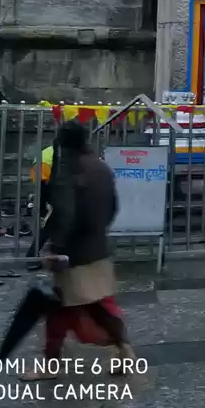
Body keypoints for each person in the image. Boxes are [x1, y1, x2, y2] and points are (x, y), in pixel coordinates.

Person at [23, 121, 134, 376]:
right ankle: (124, 349)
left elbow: (66, 213)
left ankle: (51, 364)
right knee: (95, 305)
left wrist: (56, 248)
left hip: (73, 252)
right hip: (98, 247)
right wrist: (97, 232)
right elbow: (113, 207)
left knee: (63, 309)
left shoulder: (68, 169)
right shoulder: (102, 168)